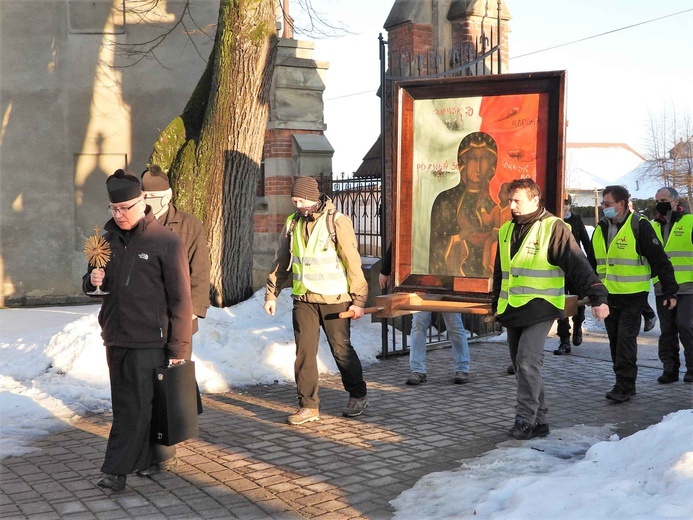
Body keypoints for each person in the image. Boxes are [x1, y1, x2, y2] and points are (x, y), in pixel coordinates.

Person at [83, 169, 192, 491]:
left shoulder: (165, 241)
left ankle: (115, 471)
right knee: (135, 402)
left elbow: (180, 297)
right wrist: (92, 282)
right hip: (115, 335)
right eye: (113, 209)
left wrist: (179, 348)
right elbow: (91, 283)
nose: (119, 215)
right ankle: (159, 456)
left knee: (133, 406)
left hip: (150, 337)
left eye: (125, 208)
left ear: (142, 202)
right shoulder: (104, 240)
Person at [491, 178, 609, 440]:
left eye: (517, 200)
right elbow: (500, 272)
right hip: (513, 307)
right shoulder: (506, 230)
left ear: (535, 199)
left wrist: (598, 296)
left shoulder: (553, 227)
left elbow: (577, 263)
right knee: (522, 365)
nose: (511, 205)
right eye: (510, 200)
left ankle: (524, 419)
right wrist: (494, 305)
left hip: (542, 306)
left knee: (526, 361)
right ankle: (541, 420)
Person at [264, 176, 369, 425]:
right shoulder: (292, 223)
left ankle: (358, 394)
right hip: (304, 299)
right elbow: (281, 261)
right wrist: (272, 293)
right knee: (304, 353)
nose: (297, 205)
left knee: (341, 350)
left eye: (301, 200)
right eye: (294, 200)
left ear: (313, 198)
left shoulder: (337, 222)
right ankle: (308, 406)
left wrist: (359, 300)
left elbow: (352, 262)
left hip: (335, 299)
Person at [589, 185, 678, 403]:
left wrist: (669, 290)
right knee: (614, 341)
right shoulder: (600, 228)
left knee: (625, 342)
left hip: (632, 296)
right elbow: (591, 265)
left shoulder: (640, 226)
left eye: (607, 204)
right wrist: (592, 294)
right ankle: (624, 381)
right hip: (608, 297)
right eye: (603, 204)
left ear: (621, 204)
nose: (604, 207)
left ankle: (625, 386)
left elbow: (660, 260)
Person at [379, 243, 471, 385]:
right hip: (424, 281)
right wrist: (385, 270)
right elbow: (398, 240)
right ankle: (418, 370)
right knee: (419, 324)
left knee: (454, 325)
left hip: (447, 280)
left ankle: (462, 368)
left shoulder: (446, 226)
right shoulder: (419, 223)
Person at [141, 165, 210, 334]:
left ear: (167, 196)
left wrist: (194, 308)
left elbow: (199, 268)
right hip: (143, 315)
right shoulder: (135, 224)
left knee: (179, 360)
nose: (148, 200)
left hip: (179, 313)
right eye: (145, 196)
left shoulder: (189, 224)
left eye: (154, 197)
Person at [429, 132, 499, 277]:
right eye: (473, 158)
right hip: (453, 281)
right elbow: (437, 248)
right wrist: (458, 237)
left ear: (492, 164)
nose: (478, 167)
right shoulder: (445, 201)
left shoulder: (495, 205)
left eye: (484, 158)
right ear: (463, 162)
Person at [650, 187, 693, 384]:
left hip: (688, 286)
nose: (660, 202)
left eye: (664, 199)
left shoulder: (690, 222)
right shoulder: (652, 226)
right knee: (667, 329)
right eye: (657, 199)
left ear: (675, 201)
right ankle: (670, 369)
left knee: (685, 325)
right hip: (662, 287)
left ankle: (692, 368)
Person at [554, 194, 594, 354]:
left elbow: (586, 242)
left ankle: (578, 326)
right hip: (558, 269)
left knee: (578, 301)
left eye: (566, 204)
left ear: (570, 205)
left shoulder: (576, 220)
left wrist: (590, 266)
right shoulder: (554, 221)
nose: (564, 207)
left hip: (576, 267)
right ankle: (564, 341)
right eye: (561, 203)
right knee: (561, 303)